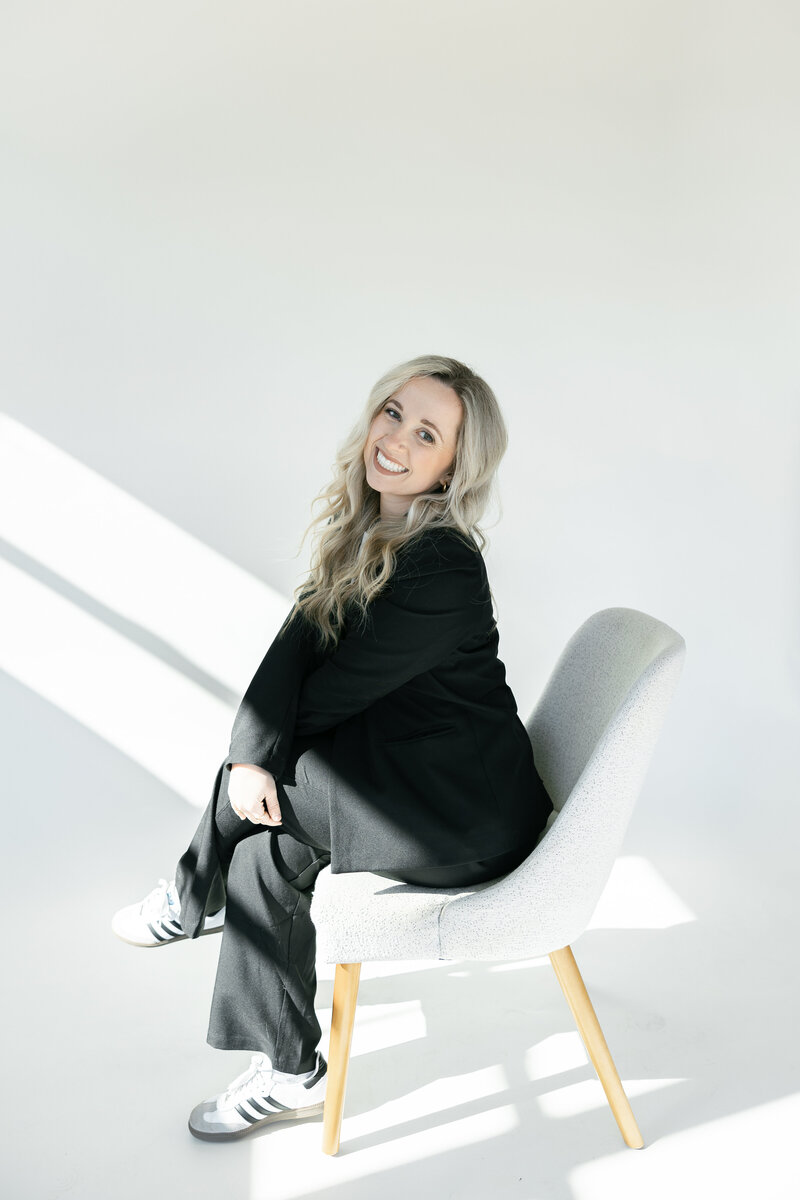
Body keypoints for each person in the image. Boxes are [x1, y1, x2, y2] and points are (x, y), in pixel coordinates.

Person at [112, 353, 553, 1142]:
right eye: (394, 413)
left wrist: (256, 761)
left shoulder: (442, 563)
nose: (398, 439)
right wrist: (250, 751)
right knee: (263, 851)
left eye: (428, 434)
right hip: (411, 774)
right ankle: (291, 1071)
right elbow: (298, 650)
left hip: (465, 811)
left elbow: (330, 693)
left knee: (273, 777)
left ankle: (188, 894)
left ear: (455, 466)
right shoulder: (373, 532)